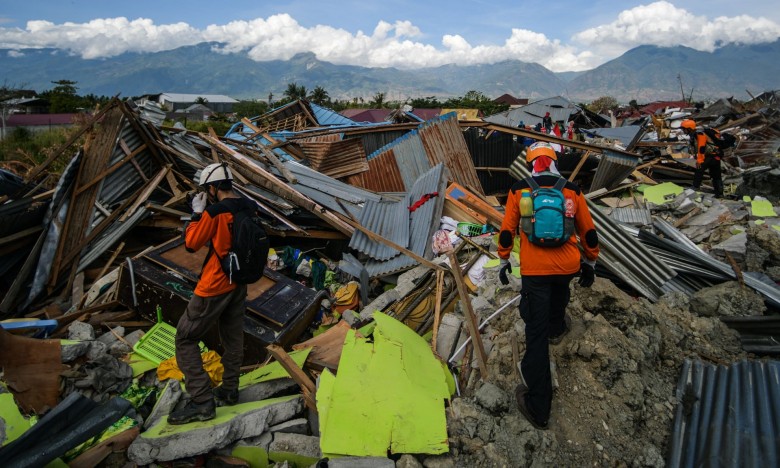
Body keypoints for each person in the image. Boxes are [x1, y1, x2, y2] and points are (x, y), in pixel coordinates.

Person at [497, 142, 599, 430]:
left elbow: (507, 230)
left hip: (535, 270)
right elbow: (588, 231)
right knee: (560, 295)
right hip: (567, 265)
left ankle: (538, 407)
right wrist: (590, 262)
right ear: (554, 160)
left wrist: (503, 260)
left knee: (536, 331)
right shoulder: (572, 190)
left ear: (531, 162)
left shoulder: (519, 190)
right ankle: (557, 328)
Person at [168, 162, 256, 425]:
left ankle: (202, 401)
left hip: (214, 285)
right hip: (238, 281)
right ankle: (229, 390)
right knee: (232, 338)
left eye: (208, 189)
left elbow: (192, 244)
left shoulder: (215, 212)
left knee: (185, 338)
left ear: (213, 188)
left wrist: (197, 214)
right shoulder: (249, 206)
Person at [681, 119, 724, 198]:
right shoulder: (694, 135)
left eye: (684, 129)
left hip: (712, 155)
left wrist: (699, 160)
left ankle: (695, 187)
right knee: (716, 174)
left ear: (689, 128)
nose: (683, 131)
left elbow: (702, 148)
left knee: (699, 169)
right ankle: (719, 193)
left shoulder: (699, 134)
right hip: (715, 156)